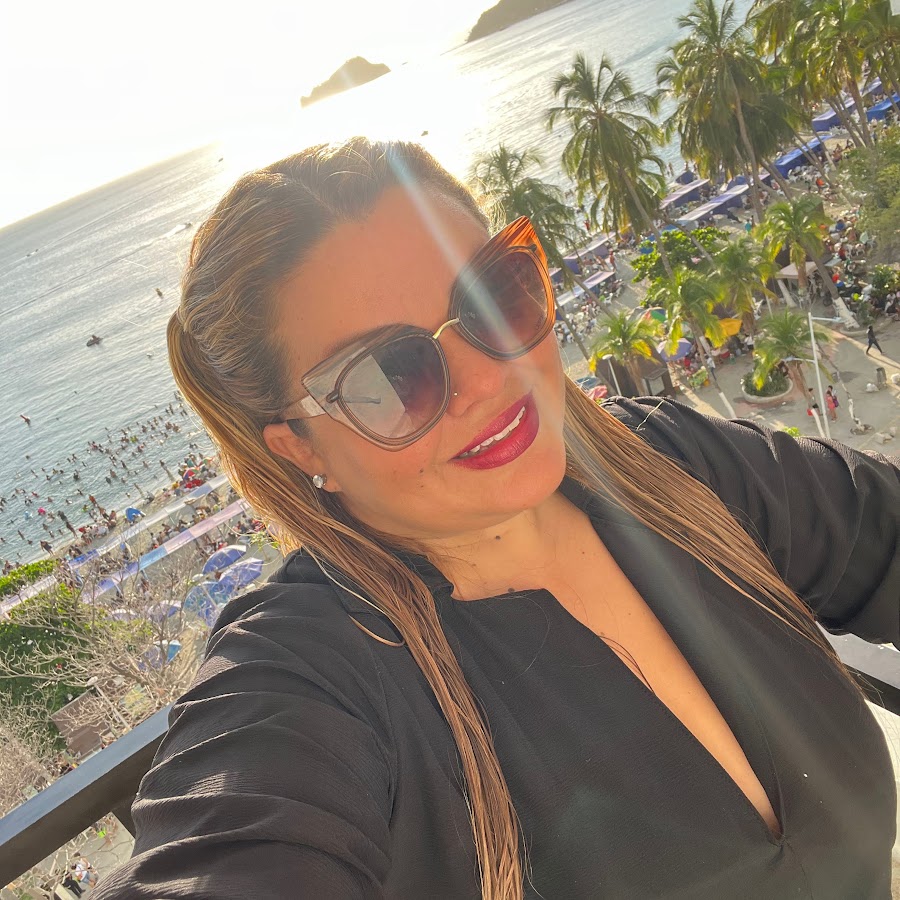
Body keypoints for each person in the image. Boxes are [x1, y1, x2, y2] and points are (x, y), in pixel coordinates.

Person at [93, 139, 900, 900]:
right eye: (389, 376)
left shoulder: (666, 463)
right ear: (301, 446)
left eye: (492, 297)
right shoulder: (312, 677)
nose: (488, 379)